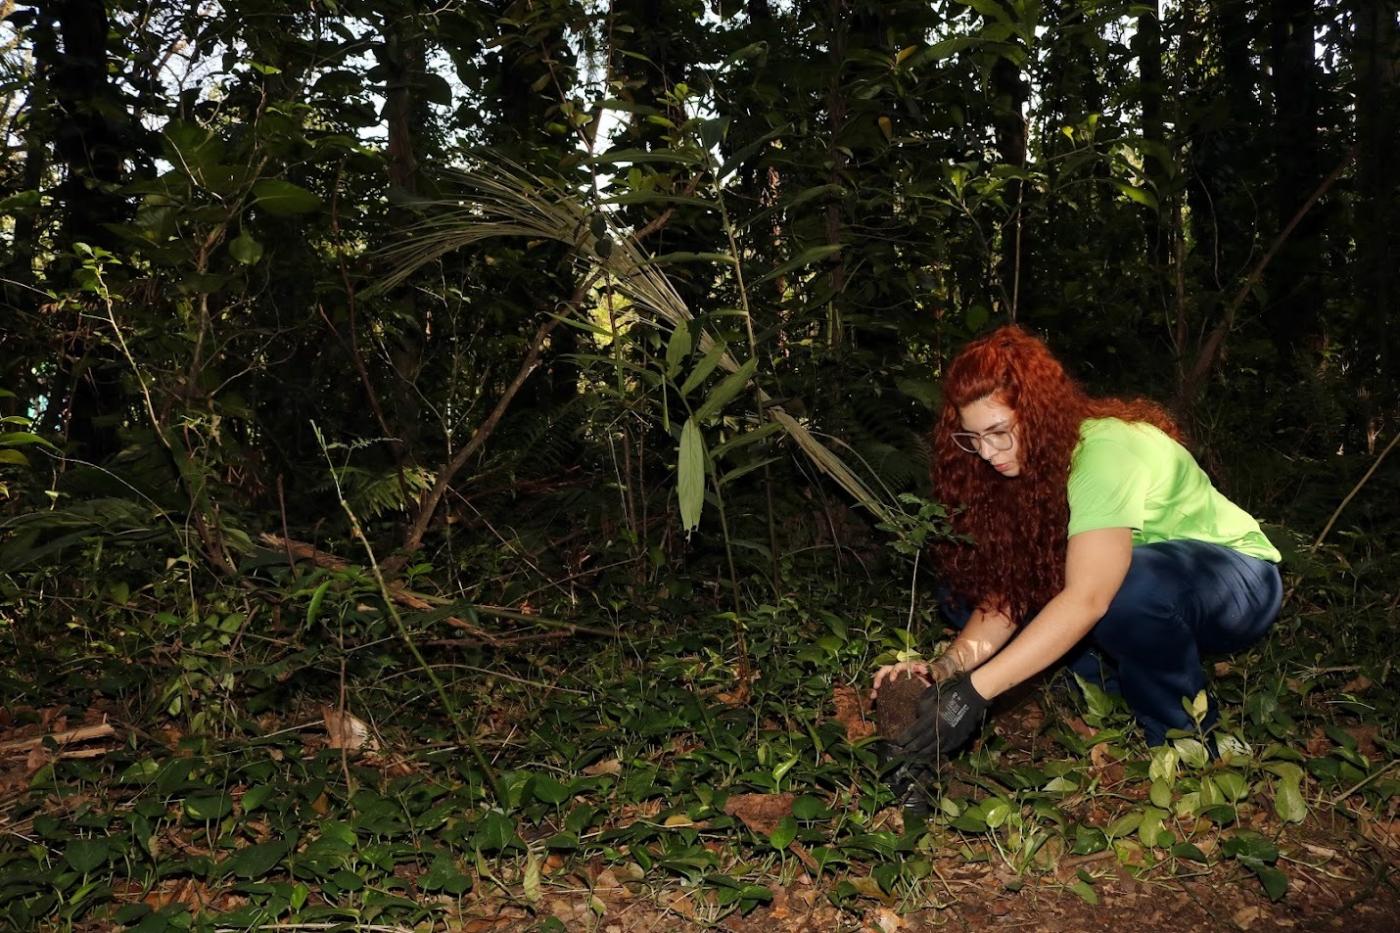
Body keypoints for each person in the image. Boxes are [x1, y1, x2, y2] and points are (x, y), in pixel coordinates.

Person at [874, 325, 1283, 764]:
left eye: (998, 432)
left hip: (1237, 579)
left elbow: (1089, 597)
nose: (988, 453)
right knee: (965, 594)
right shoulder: (1025, 469)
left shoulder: (1103, 452)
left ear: (1035, 411)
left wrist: (976, 693)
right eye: (973, 439)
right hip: (1151, 586)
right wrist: (945, 669)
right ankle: (1111, 690)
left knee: (1126, 591)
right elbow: (1010, 595)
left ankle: (1190, 742)